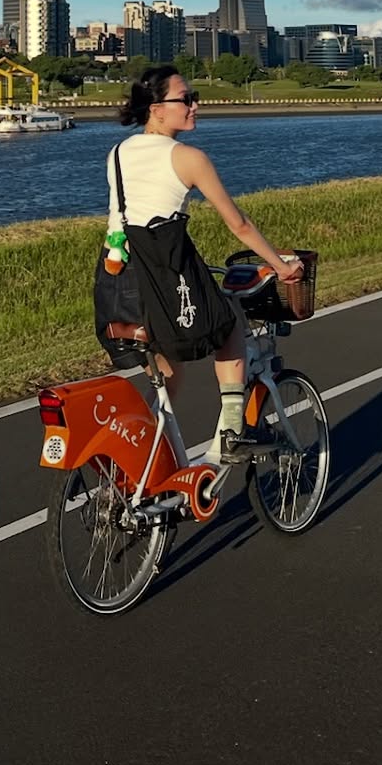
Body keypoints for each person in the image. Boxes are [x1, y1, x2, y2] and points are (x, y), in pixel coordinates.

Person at [110, 65, 303, 465]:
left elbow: (120, 222)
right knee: (229, 320)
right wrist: (281, 266)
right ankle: (233, 430)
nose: (196, 105)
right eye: (186, 99)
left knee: (167, 368)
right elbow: (239, 224)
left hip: (131, 280)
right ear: (157, 109)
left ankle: (138, 460)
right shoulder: (188, 157)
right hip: (172, 266)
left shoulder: (117, 154)